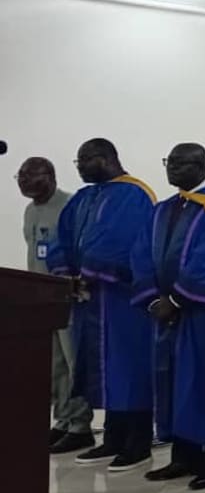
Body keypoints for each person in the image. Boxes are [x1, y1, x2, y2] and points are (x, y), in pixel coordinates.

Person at [132, 144, 205, 491]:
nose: (172, 169)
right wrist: (152, 299)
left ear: (201, 165)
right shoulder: (162, 209)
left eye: (180, 163)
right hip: (167, 317)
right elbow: (140, 253)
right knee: (172, 385)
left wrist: (176, 300)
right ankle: (182, 456)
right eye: (169, 162)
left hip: (204, 318)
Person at [47, 139, 156, 471]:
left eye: (84, 160)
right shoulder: (84, 197)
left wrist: (92, 271)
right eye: (77, 160)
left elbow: (124, 242)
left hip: (123, 300)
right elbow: (62, 237)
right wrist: (66, 272)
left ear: (106, 159)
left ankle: (137, 441)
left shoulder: (134, 194)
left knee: (128, 368)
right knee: (101, 369)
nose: (78, 167)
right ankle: (112, 437)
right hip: (89, 300)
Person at [19, 156, 94, 453]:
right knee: (55, 364)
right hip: (40, 299)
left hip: (68, 297)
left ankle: (81, 425)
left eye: (30, 175)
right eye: (20, 176)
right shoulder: (29, 210)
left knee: (74, 361)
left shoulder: (71, 205)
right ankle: (63, 419)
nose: (24, 181)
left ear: (49, 175)